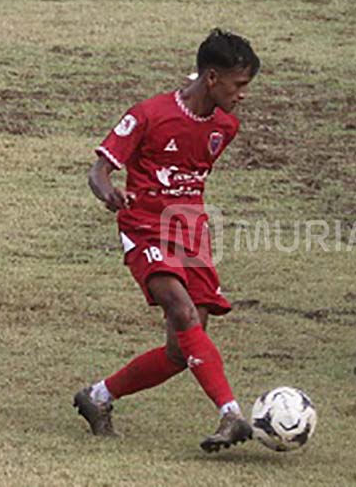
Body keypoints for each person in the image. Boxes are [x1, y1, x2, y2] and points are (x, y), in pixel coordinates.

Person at [72, 28, 260, 452]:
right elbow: (98, 171)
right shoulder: (149, 114)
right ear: (212, 77)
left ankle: (97, 397)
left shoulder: (225, 126)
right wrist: (109, 195)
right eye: (239, 84)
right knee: (182, 309)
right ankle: (231, 414)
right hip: (142, 226)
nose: (243, 94)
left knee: (181, 351)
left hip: (191, 232)